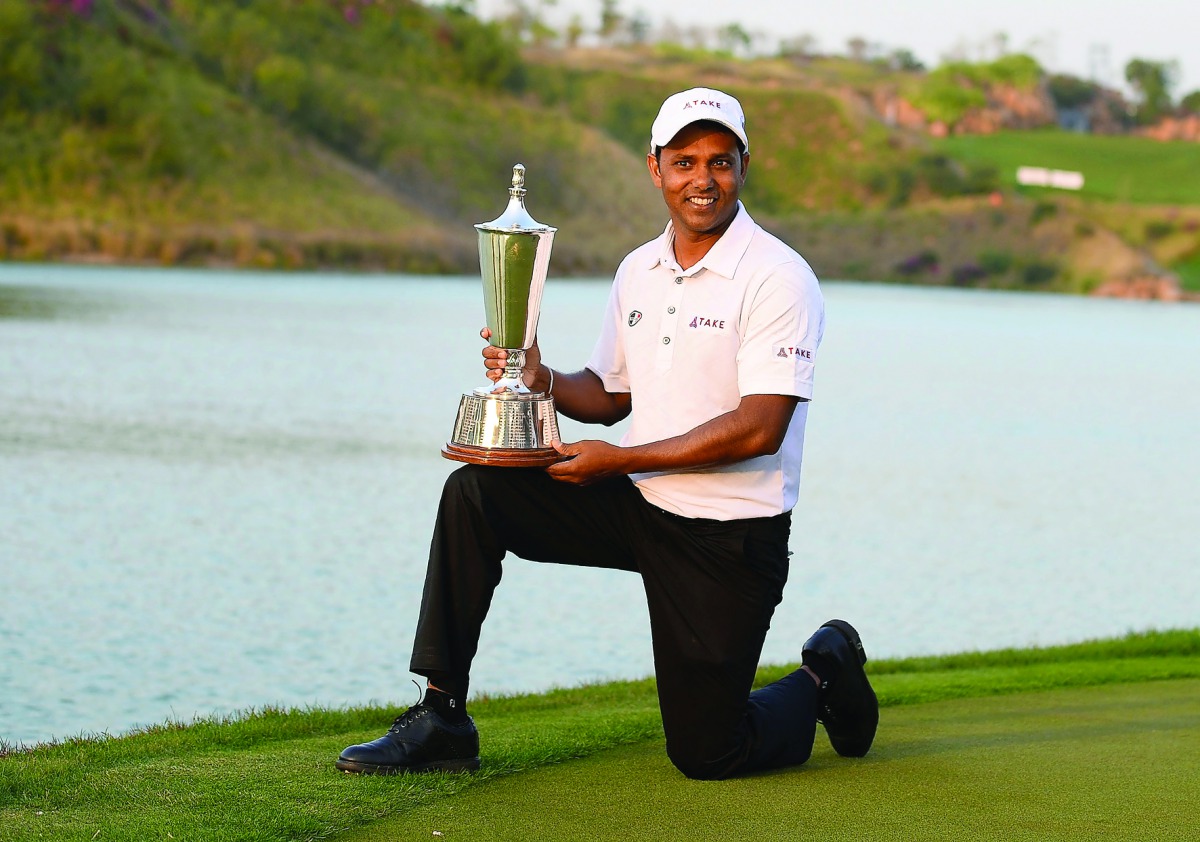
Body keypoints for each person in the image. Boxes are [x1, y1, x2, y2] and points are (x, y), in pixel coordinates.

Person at [336, 87, 878, 780]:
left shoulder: (779, 277)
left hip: (729, 536)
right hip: (635, 502)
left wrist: (619, 460)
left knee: (710, 752)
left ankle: (822, 676)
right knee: (476, 493)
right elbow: (610, 394)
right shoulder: (638, 271)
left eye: (719, 161)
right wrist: (542, 376)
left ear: (745, 166)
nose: (702, 179)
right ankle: (442, 715)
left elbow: (760, 428)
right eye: (684, 162)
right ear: (655, 169)